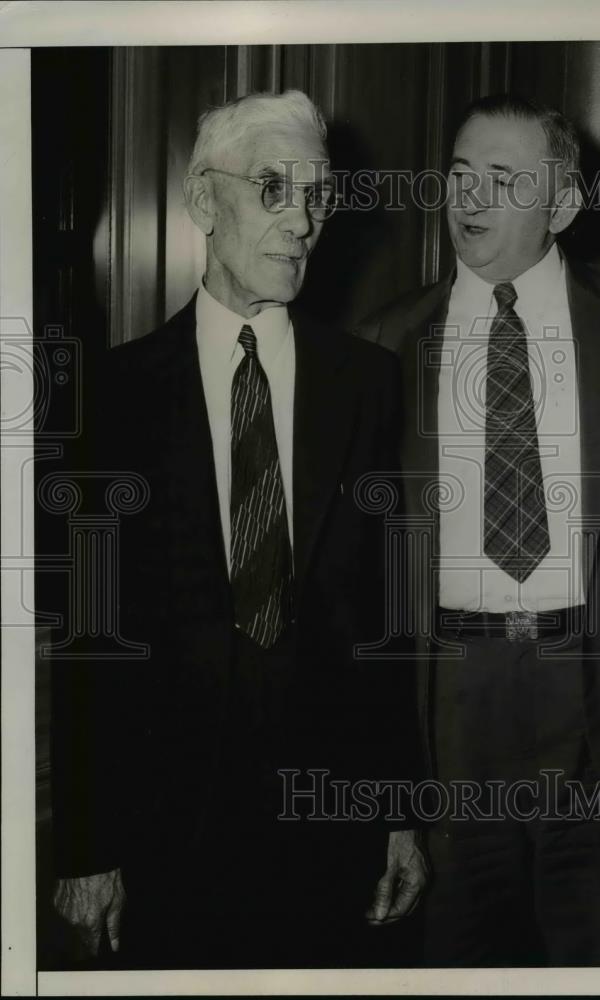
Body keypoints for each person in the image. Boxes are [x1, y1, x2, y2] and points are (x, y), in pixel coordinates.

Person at [51, 89, 427, 970]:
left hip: (329, 820)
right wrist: (85, 847)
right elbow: (89, 640)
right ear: (199, 201)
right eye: (272, 188)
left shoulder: (365, 383)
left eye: (317, 194)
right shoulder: (113, 394)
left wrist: (401, 815)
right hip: (165, 827)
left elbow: (387, 615)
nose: (300, 221)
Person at [357, 94, 600, 966]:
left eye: (501, 180)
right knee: (459, 961)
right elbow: (360, 584)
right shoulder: (383, 344)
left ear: (561, 205)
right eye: (459, 175)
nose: (467, 199)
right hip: (450, 707)